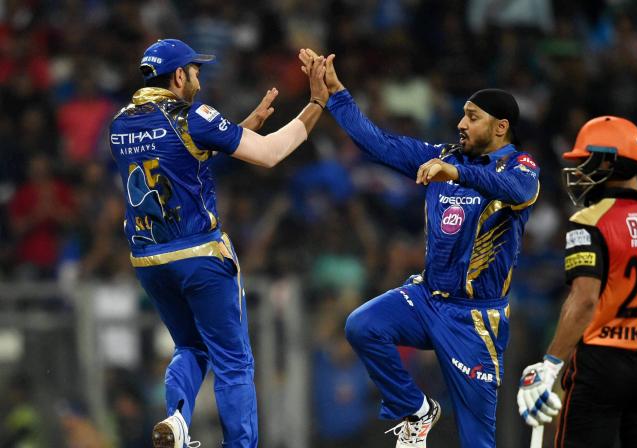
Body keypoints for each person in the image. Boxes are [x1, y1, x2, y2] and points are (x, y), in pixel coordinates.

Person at [299, 49, 541, 448]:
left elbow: (520, 191)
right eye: (463, 114)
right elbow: (379, 144)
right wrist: (338, 94)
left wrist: (456, 172)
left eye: (473, 117)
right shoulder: (442, 156)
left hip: (475, 320)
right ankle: (415, 409)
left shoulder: (520, 166)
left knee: (478, 440)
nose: (461, 123)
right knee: (362, 325)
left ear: (501, 128)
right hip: (427, 298)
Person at [108, 39, 329, 448]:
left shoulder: (121, 122)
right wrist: (317, 102)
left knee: (189, 346)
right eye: (194, 71)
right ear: (178, 76)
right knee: (233, 361)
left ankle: (176, 418)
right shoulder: (193, 115)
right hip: (200, 256)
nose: (198, 78)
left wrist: (239, 129)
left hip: (149, 261)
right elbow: (269, 155)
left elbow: (179, 160)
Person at [516, 116, 637, 447]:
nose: (580, 172)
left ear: (609, 161)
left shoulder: (589, 221)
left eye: (585, 160)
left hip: (603, 364)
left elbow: (585, 300)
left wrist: (550, 365)